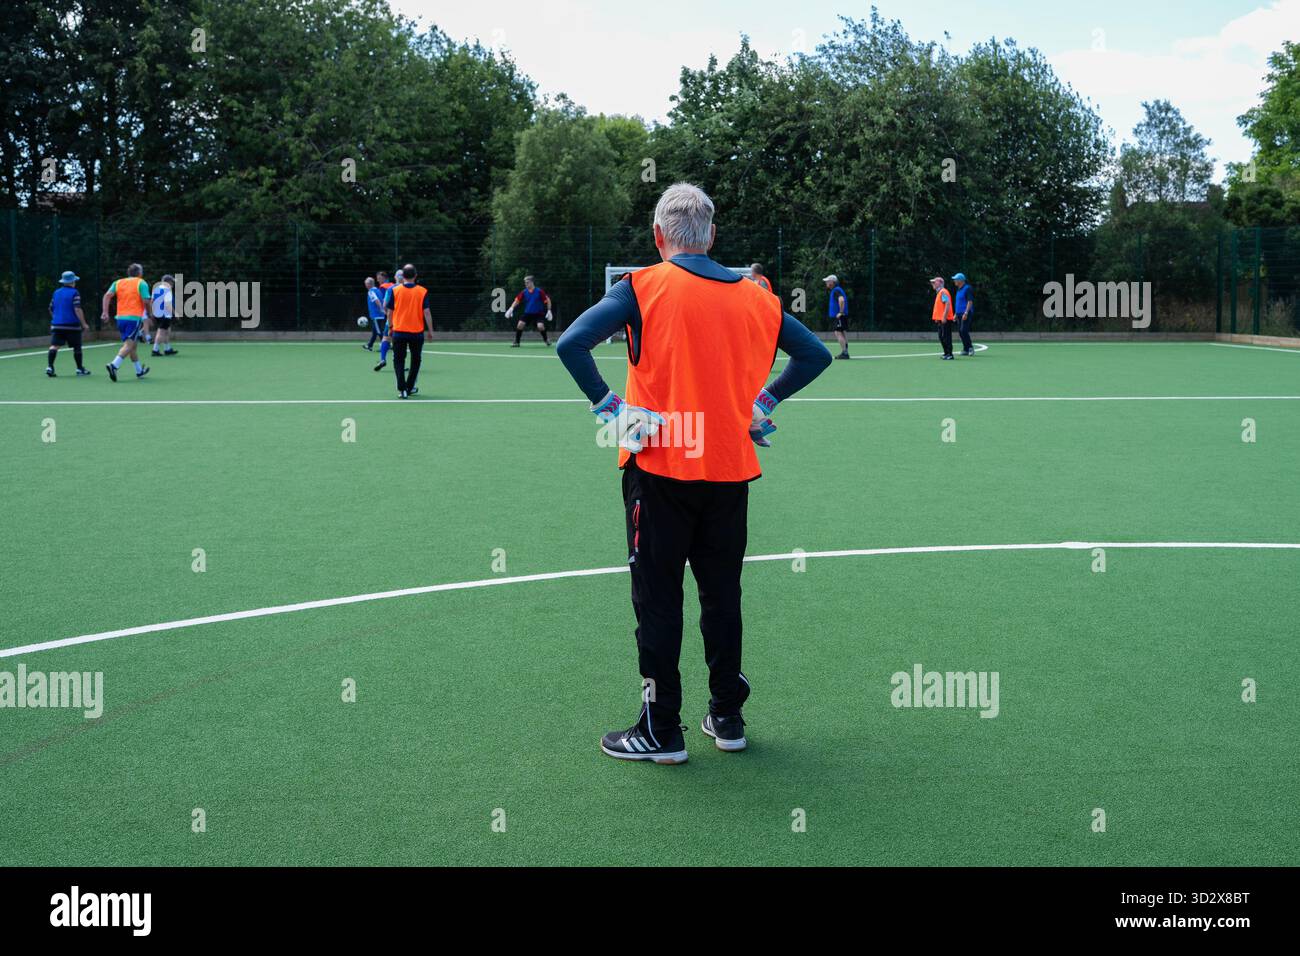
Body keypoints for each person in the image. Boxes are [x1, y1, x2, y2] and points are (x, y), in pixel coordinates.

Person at [556, 182, 832, 765]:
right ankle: (727, 715)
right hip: (729, 470)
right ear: (711, 235)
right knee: (721, 595)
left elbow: (573, 343)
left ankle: (661, 729)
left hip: (659, 468)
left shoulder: (643, 286)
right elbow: (815, 356)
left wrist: (612, 410)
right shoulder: (758, 296)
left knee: (657, 600)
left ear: (659, 237)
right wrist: (766, 402)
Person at [384, 263, 432, 398]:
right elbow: (427, 312)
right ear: (415, 276)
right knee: (416, 360)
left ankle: (402, 389)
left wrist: (391, 327)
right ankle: (410, 387)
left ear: (402, 276)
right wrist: (430, 331)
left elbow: (390, 312)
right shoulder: (422, 291)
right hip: (417, 333)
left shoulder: (395, 290)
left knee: (399, 360)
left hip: (399, 332)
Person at [100, 263, 151, 381]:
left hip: (120, 318)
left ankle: (139, 371)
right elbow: (146, 301)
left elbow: (107, 296)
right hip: (133, 318)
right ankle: (114, 365)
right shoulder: (141, 282)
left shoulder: (118, 282)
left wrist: (105, 312)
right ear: (139, 273)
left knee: (133, 346)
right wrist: (149, 313)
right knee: (129, 345)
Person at [46, 271, 91, 377]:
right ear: (73, 281)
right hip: (72, 325)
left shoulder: (56, 292)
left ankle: (50, 367)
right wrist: (84, 324)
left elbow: (50, 308)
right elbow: (77, 309)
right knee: (77, 347)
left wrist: (56, 319)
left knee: (54, 346)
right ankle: (80, 369)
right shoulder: (75, 292)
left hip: (57, 325)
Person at [504, 275, 552, 347]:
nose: (526, 284)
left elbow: (547, 300)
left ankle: (546, 340)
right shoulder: (524, 292)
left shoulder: (539, 291)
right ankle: (517, 342)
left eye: (527, 282)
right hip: (528, 313)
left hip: (538, 314)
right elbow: (517, 301)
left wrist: (549, 310)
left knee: (540, 326)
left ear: (532, 282)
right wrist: (511, 308)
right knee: (520, 325)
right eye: (525, 283)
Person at [373, 271, 396, 371]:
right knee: (400, 342)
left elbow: (385, 304)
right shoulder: (412, 289)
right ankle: (399, 364)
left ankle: (383, 359)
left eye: (379, 277)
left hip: (392, 318)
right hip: (405, 320)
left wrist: (386, 313)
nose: (377, 279)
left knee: (385, 338)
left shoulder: (388, 288)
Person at [150, 274, 178, 356]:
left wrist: (152, 312)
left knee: (167, 330)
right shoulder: (167, 290)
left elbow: (152, 301)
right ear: (167, 282)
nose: (173, 284)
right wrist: (175, 313)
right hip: (165, 314)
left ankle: (167, 349)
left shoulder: (156, 289)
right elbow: (168, 303)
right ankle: (155, 350)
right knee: (161, 331)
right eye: (172, 282)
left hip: (158, 313)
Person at [824, 274, 849, 359]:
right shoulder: (836, 290)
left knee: (838, 332)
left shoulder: (836, 290)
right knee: (841, 332)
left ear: (832, 282)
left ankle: (845, 353)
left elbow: (841, 300)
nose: (826, 283)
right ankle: (845, 352)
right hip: (840, 316)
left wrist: (840, 312)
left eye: (828, 281)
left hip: (839, 316)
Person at [930, 276, 955, 359]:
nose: (932, 283)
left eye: (934, 282)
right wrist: (937, 318)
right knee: (941, 336)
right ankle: (946, 353)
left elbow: (947, 304)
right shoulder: (940, 292)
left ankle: (950, 354)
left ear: (940, 283)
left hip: (945, 319)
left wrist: (944, 317)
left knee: (946, 336)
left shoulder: (943, 292)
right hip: (941, 319)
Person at [953, 272, 974, 356]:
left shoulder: (967, 288)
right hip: (958, 314)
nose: (954, 281)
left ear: (960, 280)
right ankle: (965, 349)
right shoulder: (958, 289)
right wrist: (955, 313)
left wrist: (966, 312)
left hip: (965, 313)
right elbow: (958, 303)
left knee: (963, 330)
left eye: (956, 279)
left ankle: (970, 348)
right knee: (960, 332)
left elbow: (970, 301)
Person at [363, 276, 385, 352]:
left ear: (369, 284)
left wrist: (381, 309)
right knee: (375, 331)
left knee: (379, 331)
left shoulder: (371, 291)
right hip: (379, 314)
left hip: (376, 315)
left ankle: (386, 345)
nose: (365, 285)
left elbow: (376, 300)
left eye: (366, 284)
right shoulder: (378, 290)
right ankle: (369, 345)